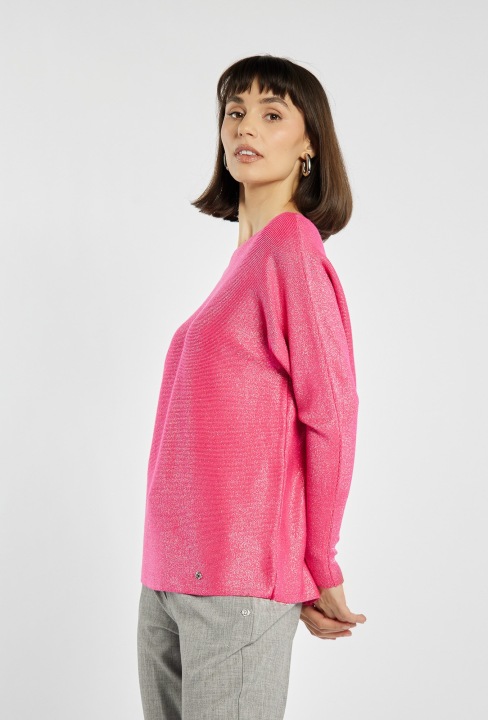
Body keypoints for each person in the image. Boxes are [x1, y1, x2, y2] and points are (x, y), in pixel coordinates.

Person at [137, 54, 367, 720]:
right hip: (169, 575)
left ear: (308, 144)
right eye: (235, 111)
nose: (247, 126)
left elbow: (332, 413)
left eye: (272, 114)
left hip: (237, 583)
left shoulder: (291, 246)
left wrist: (320, 561)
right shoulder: (246, 261)